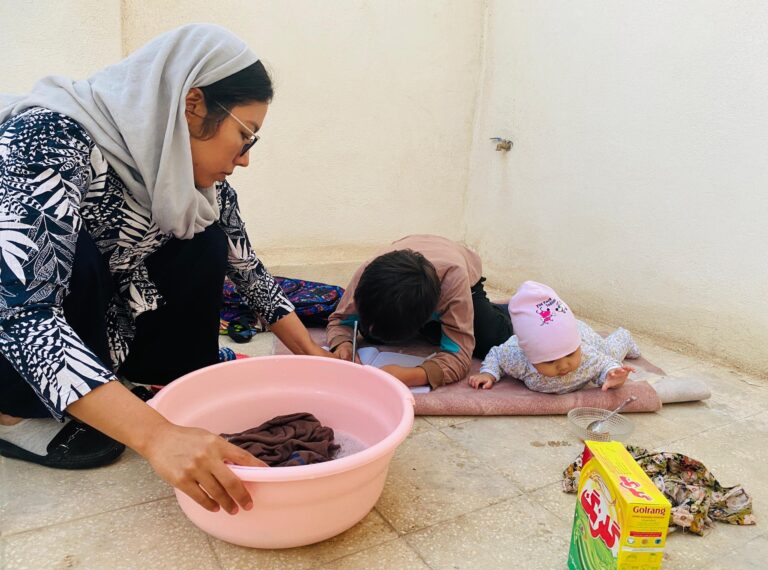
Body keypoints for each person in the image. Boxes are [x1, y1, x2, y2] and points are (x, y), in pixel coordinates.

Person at [0, 24, 331, 515]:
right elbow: (22, 312)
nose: (243, 160)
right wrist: (156, 437)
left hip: (89, 313)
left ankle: (147, 378)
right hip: (14, 321)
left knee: (206, 237)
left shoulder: (193, 185)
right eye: (244, 137)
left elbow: (249, 270)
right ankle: (12, 415)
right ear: (192, 105)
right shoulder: (49, 136)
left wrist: (311, 356)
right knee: (72, 256)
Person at [326, 234, 513, 389]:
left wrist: (413, 375)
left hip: (461, 272)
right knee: (374, 334)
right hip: (417, 259)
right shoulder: (368, 276)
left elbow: (459, 355)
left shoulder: (453, 279)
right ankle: (435, 328)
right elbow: (340, 320)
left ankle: (507, 309)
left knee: (490, 340)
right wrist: (343, 345)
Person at [469, 281, 639, 393]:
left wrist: (612, 374)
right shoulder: (516, 356)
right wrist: (488, 373)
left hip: (582, 334)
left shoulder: (586, 354)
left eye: (570, 354)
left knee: (610, 352)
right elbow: (497, 355)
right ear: (528, 355)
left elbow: (605, 365)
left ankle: (624, 337)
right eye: (550, 361)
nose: (564, 365)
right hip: (547, 329)